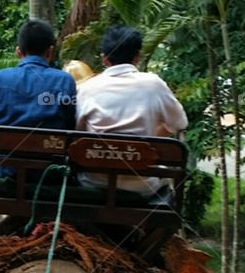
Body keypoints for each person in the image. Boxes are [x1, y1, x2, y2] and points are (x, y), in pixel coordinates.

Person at [76, 24, 188, 196]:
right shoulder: (154, 85)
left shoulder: (87, 88)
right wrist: (146, 144)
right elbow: (179, 122)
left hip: (94, 183)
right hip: (142, 186)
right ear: (137, 57)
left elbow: (77, 133)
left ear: (104, 59)